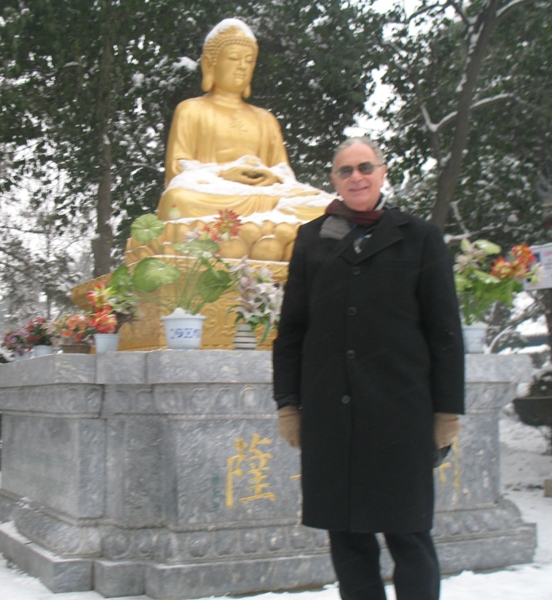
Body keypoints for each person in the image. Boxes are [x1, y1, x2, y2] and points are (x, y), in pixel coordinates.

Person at [272, 136, 465, 600]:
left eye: (364, 168)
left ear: (381, 173)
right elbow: (293, 327)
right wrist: (288, 404)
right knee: (347, 536)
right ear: (333, 179)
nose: (355, 177)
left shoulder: (419, 237)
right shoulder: (312, 239)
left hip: (401, 414)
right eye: (345, 170)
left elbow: (445, 331)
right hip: (332, 414)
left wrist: (447, 412)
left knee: (408, 533)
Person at [156, 18, 330, 223]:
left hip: (265, 195)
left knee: (325, 207)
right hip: (215, 194)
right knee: (179, 200)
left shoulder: (265, 119)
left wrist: (272, 176)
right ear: (210, 63)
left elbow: (284, 172)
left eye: (249, 61)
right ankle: (264, 230)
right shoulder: (191, 110)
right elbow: (177, 168)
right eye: (233, 58)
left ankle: (264, 228)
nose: (242, 67)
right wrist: (223, 173)